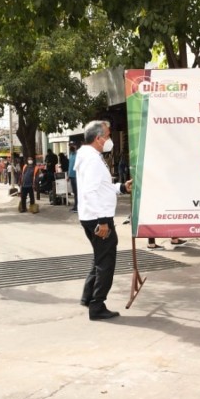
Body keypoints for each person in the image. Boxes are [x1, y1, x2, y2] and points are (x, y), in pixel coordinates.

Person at [77, 120, 132, 320]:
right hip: (98, 218)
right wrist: (102, 221)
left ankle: (88, 296)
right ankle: (97, 305)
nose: (110, 139)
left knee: (99, 258)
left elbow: (101, 187)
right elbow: (91, 192)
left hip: (91, 216)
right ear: (99, 138)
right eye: (108, 135)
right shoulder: (92, 159)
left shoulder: (90, 156)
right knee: (106, 263)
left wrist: (121, 188)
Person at [68, 144, 78, 213]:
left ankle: (77, 207)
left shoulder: (78, 155)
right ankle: (75, 206)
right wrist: (68, 175)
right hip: (71, 176)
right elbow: (70, 166)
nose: (71, 147)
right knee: (75, 192)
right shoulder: (71, 155)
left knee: (77, 192)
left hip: (76, 176)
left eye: (72, 146)